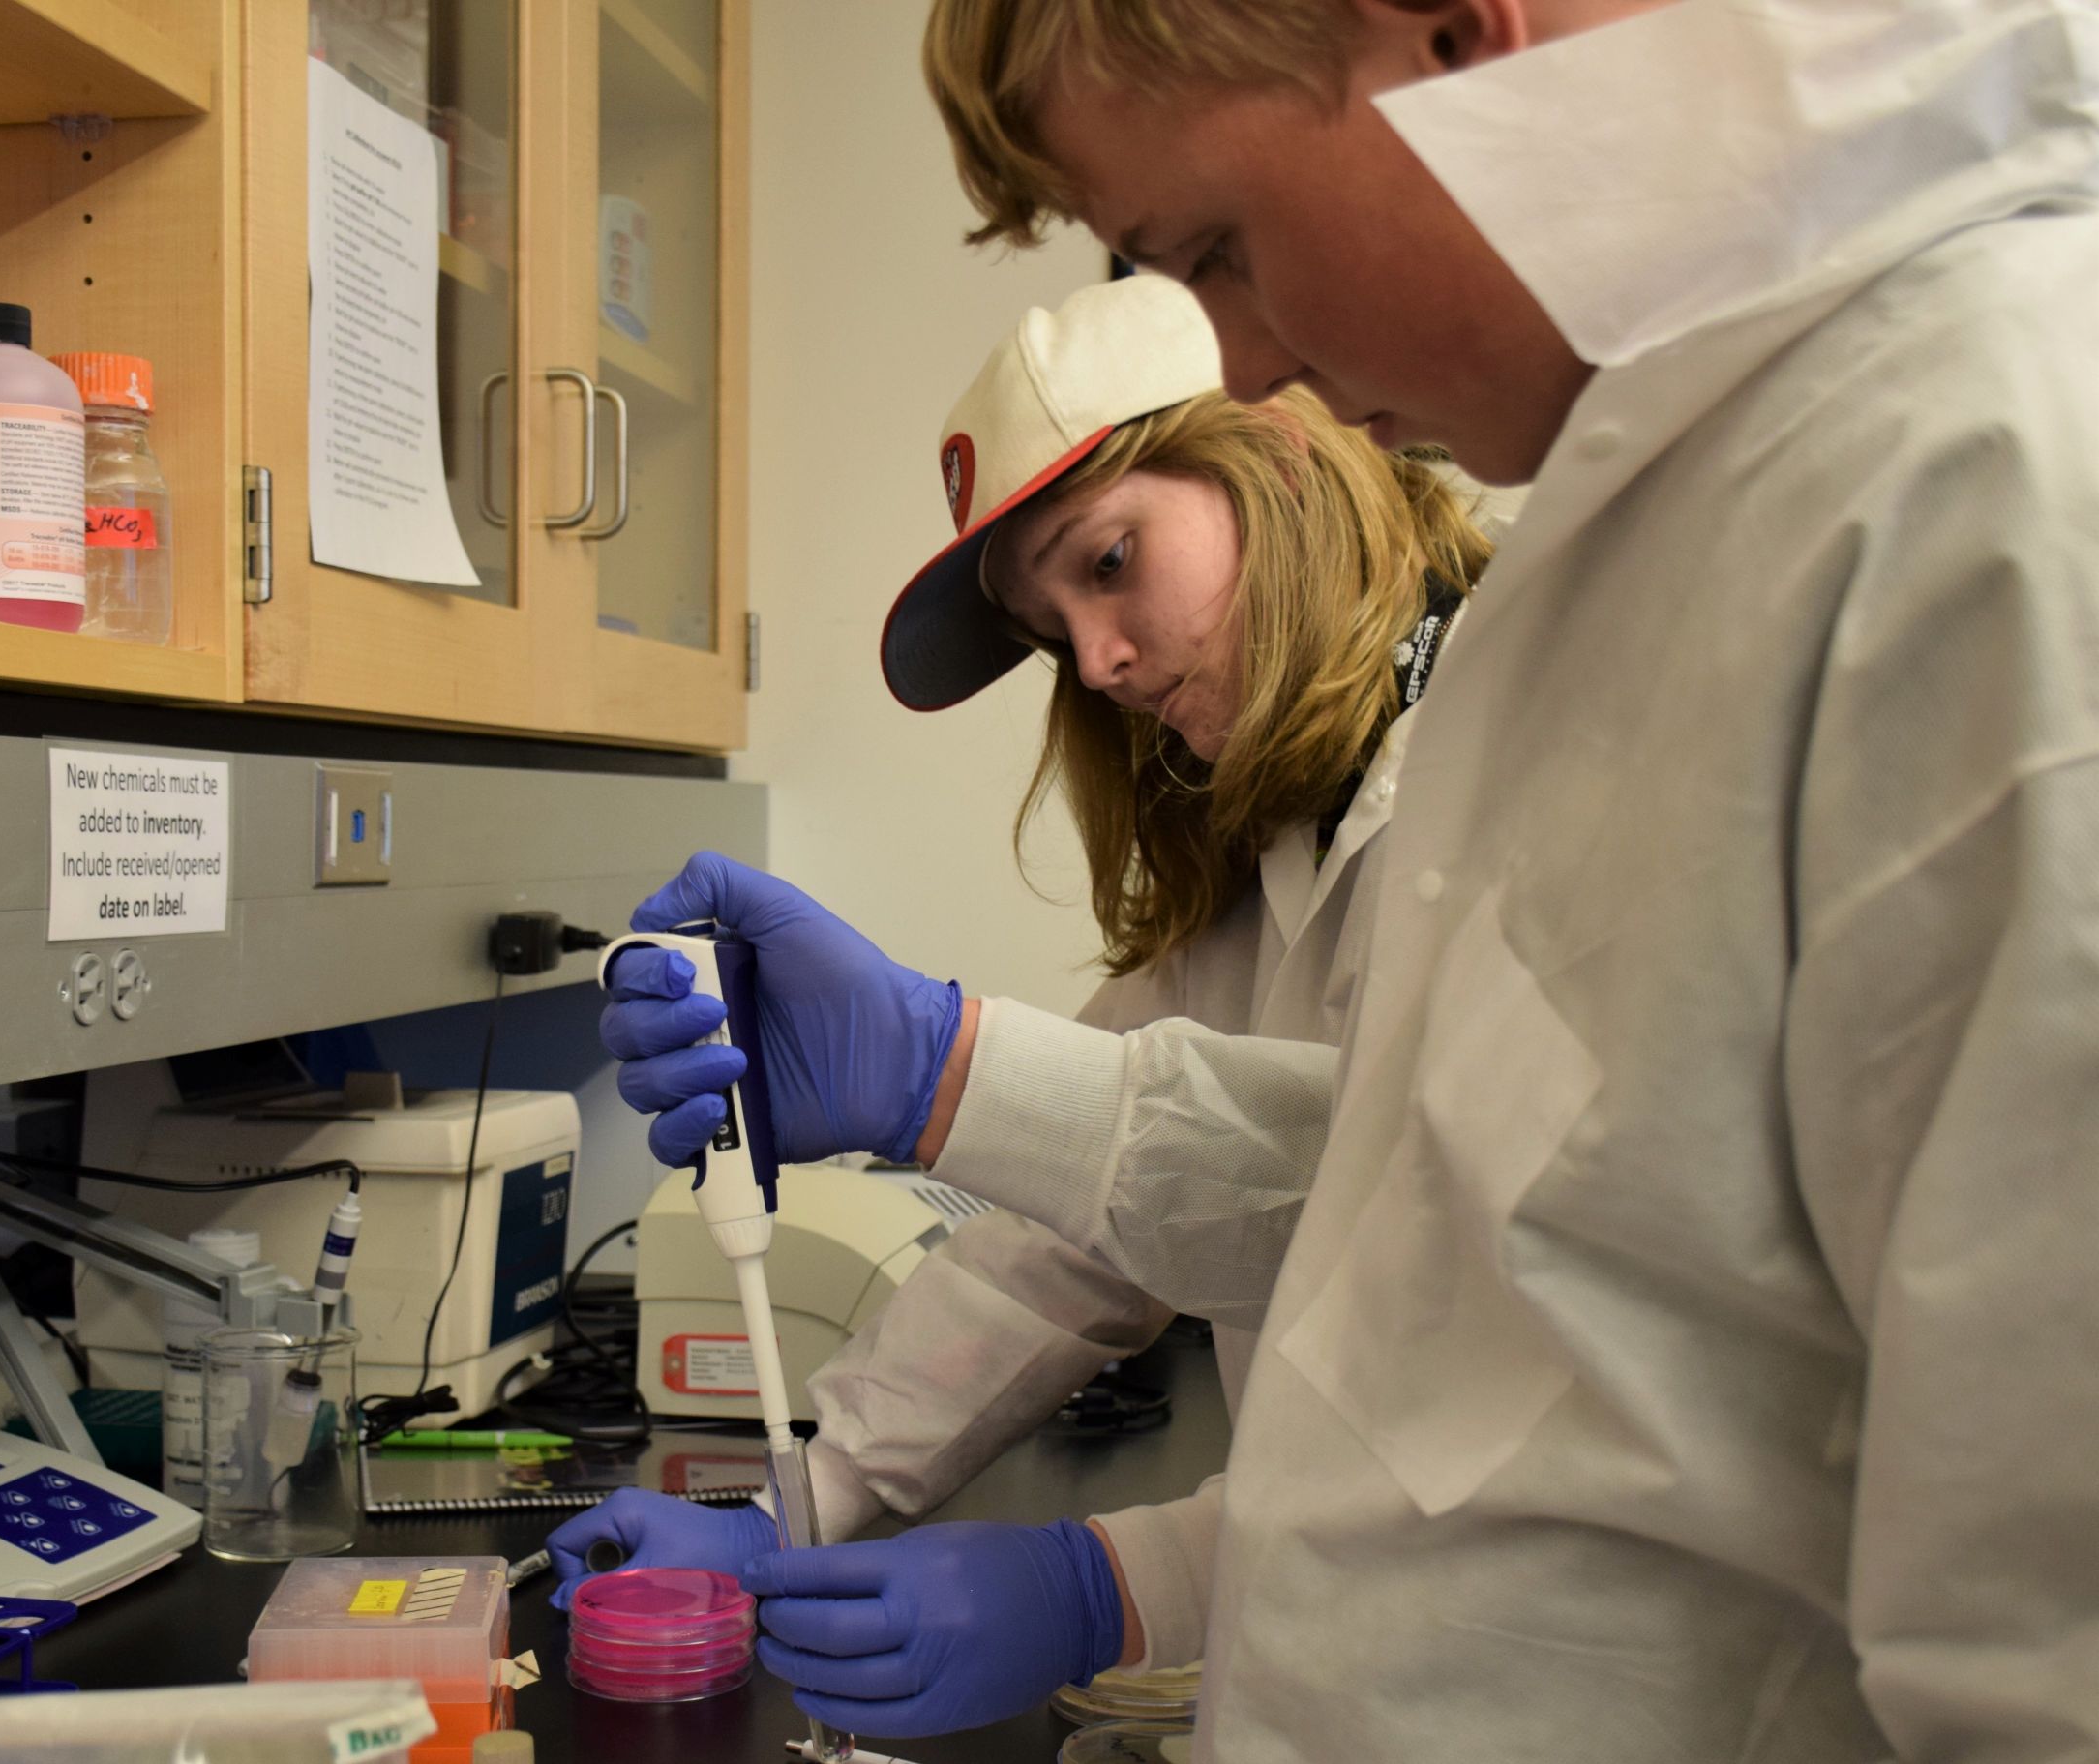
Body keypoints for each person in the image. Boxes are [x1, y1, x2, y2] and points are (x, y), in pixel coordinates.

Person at [609, 0, 2099, 1757]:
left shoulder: (1981, 482)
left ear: (1463, 35)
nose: (1259, 360)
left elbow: (2041, 1607)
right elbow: (1432, 1237)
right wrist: (816, 1466)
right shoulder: (1589, 607)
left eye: (1219, 249)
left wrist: (1106, 1578)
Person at [559, 272, 1496, 1733]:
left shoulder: (1517, 757)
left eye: (1111, 560)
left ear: (1288, 451)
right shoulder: (1272, 856)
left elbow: (1438, 1256)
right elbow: (1057, 1248)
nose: (1104, 663)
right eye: (1060, 632)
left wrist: (1112, 1585)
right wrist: (796, 1501)